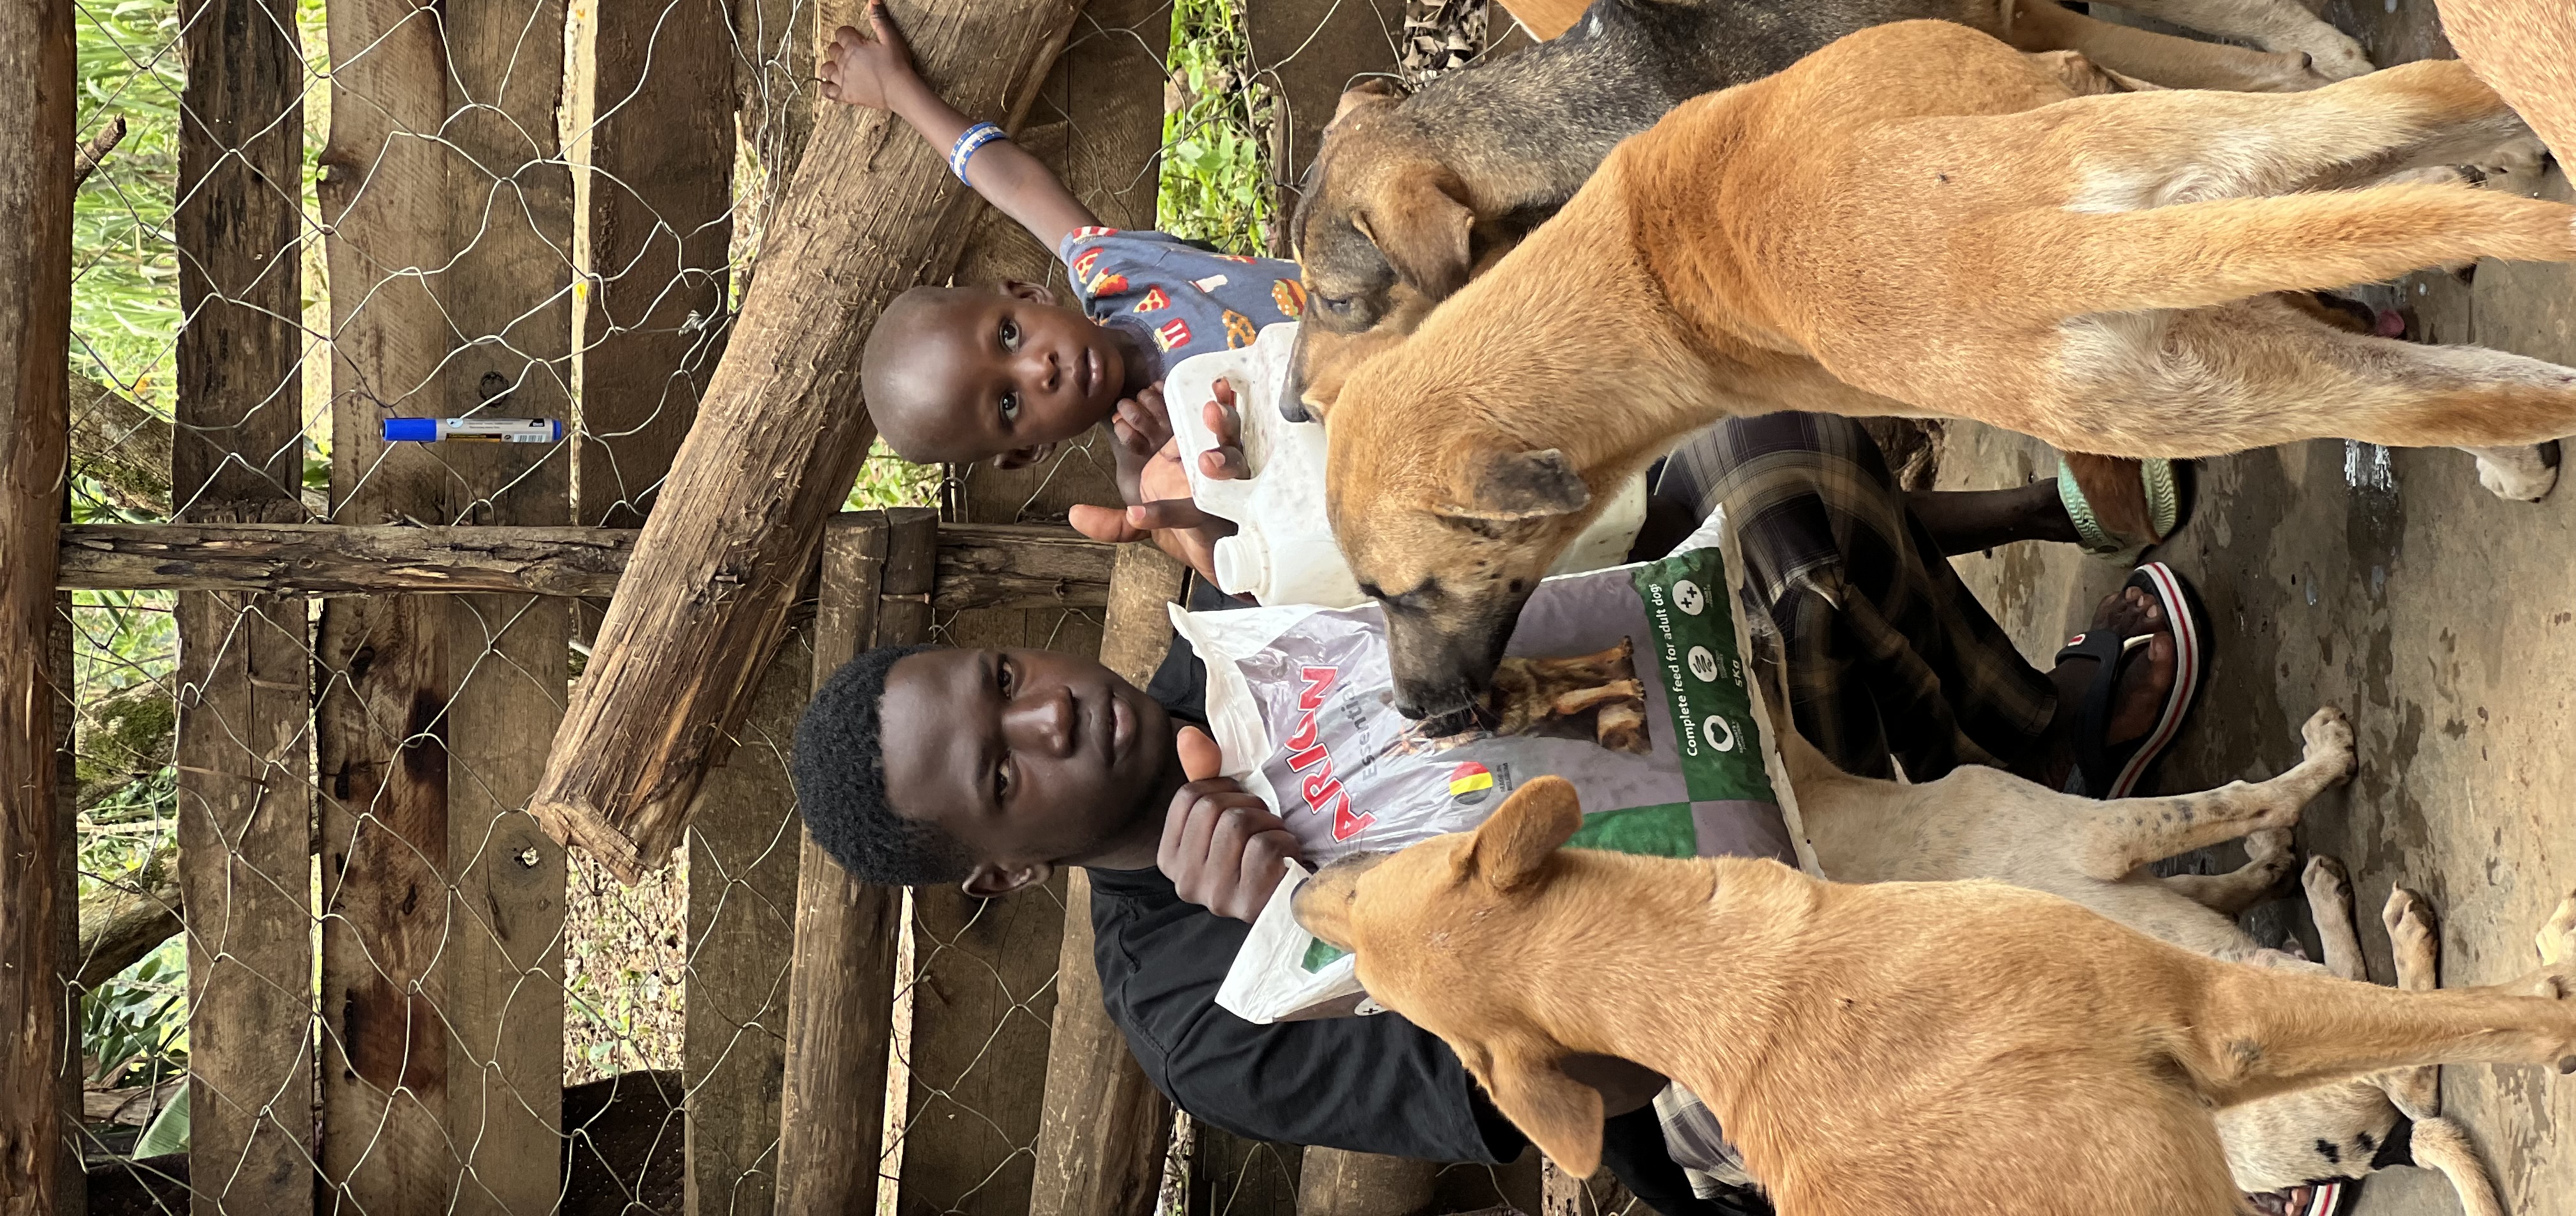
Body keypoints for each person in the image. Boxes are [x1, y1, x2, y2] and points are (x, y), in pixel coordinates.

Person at [790, 413, 2209, 1216]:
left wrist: (1272, 491)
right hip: (1716, 1029)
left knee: (1752, 469)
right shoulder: (1195, 1003)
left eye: (1000, 679)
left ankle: (2050, 745)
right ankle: (2163, 1155)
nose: (1046, 716)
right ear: (1003, 872)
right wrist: (1325, 930)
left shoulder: (1236, 628)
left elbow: (1540, 511)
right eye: (998, 774)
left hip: (1739, 736)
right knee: (1793, 1080)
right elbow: (1599, 1096)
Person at [824, 0, 1304, 559]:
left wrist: (898, 90)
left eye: (1009, 336)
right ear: (1031, 450)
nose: (1039, 368)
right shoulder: (1147, 471)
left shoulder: (1114, 274)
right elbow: (1242, 557)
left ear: (1029, 295)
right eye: (1009, 404)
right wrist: (1173, 480)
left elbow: (1013, 182)